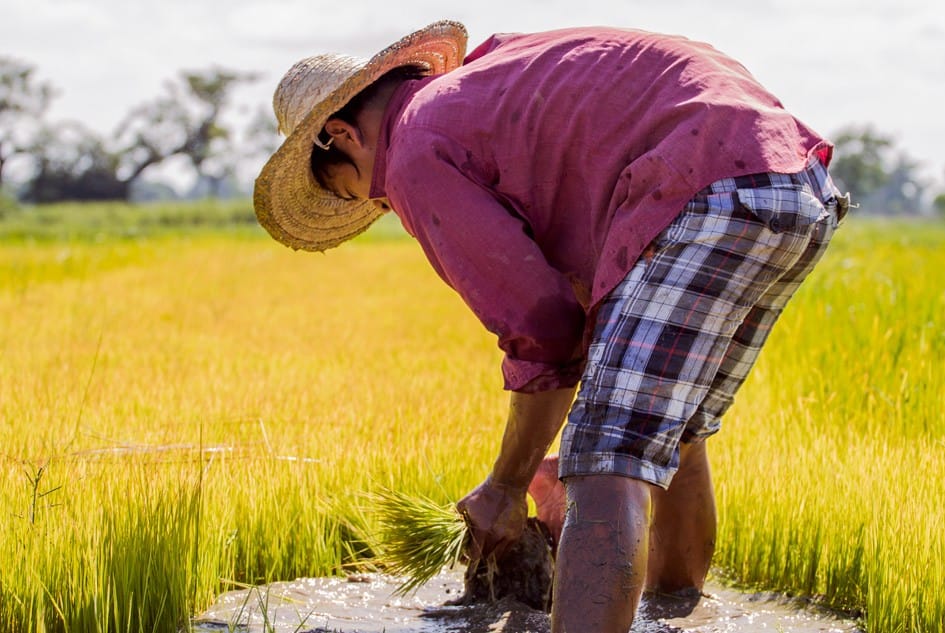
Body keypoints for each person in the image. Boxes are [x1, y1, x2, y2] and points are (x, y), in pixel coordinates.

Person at [254, 20, 849, 632]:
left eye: (350, 188)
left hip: (707, 186)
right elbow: (578, 302)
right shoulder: (491, 82)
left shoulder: (414, 147)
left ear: (341, 134)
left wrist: (506, 486)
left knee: (603, 456)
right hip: (792, 180)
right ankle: (671, 617)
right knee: (667, 425)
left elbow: (542, 327)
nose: (376, 204)